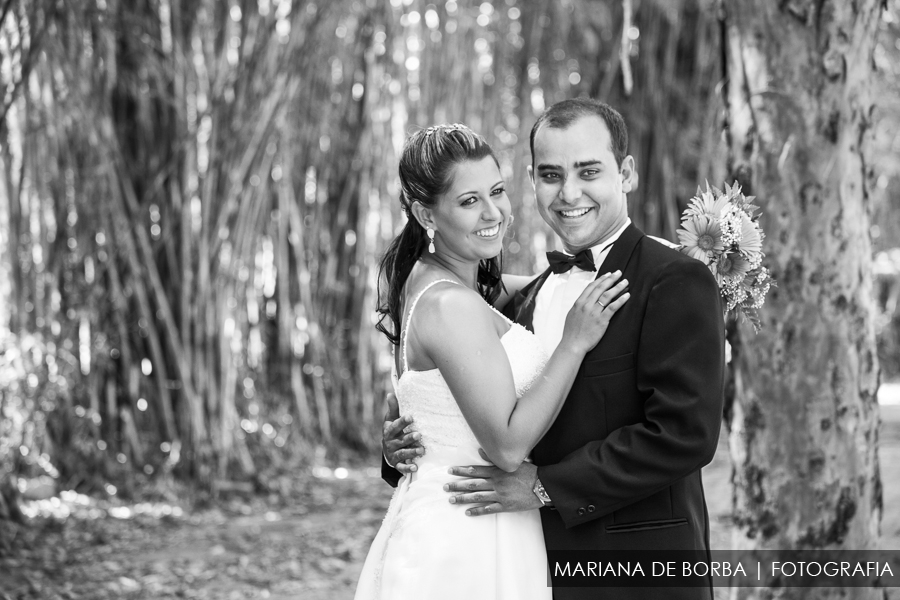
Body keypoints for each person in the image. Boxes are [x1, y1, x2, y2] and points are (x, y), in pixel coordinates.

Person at [382, 99, 726, 600]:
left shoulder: (673, 280)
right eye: (550, 175)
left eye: (588, 171)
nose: (569, 193)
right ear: (533, 180)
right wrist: (404, 443)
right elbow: (458, 391)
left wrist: (545, 487)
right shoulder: (526, 295)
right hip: (519, 564)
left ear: (625, 173)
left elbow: (684, 434)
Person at [354, 123, 630, 600]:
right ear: (426, 213)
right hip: (467, 536)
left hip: (464, 517)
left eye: (497, 191)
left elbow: (536, 286)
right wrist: (573, 343)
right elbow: (505, 448)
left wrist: (672, 256)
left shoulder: (436, 283)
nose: (493, 213)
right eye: (468, 201)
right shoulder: (449, 305)